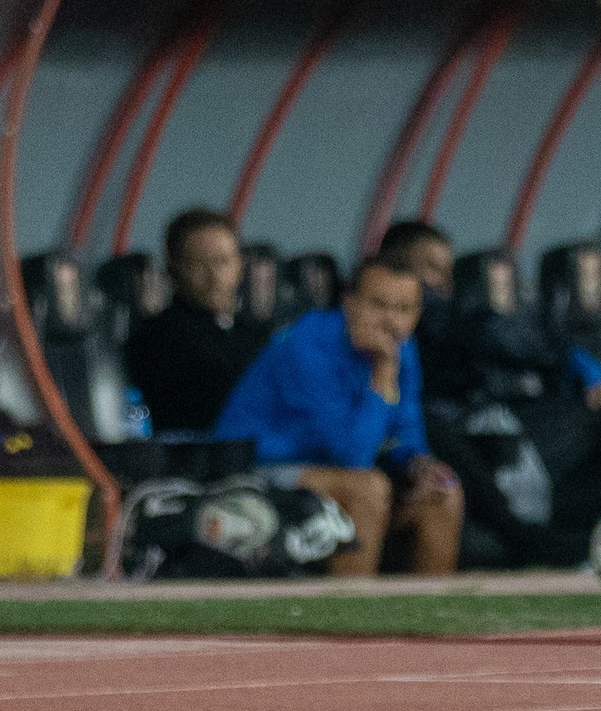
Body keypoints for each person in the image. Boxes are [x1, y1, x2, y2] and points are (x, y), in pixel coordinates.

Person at [214, 254, 463, 576]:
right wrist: (383, 376)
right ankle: (352, 605)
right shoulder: (307, 346)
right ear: (349, 303)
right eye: (378, 305)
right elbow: (350, 456)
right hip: (257, 470)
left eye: (404, 309)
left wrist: (418, 464)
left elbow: (406, 430)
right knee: (367, 489)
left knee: (443, 491)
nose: (391, 321)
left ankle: (434, 607)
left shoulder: (402, 348)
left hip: (334, 470)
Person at [124, 208, 270, 435]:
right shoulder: (157, 339)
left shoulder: (254, 336)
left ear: (240, 265)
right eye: (199, 264)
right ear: (174, 270)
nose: (214, 276)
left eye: (222, 261)